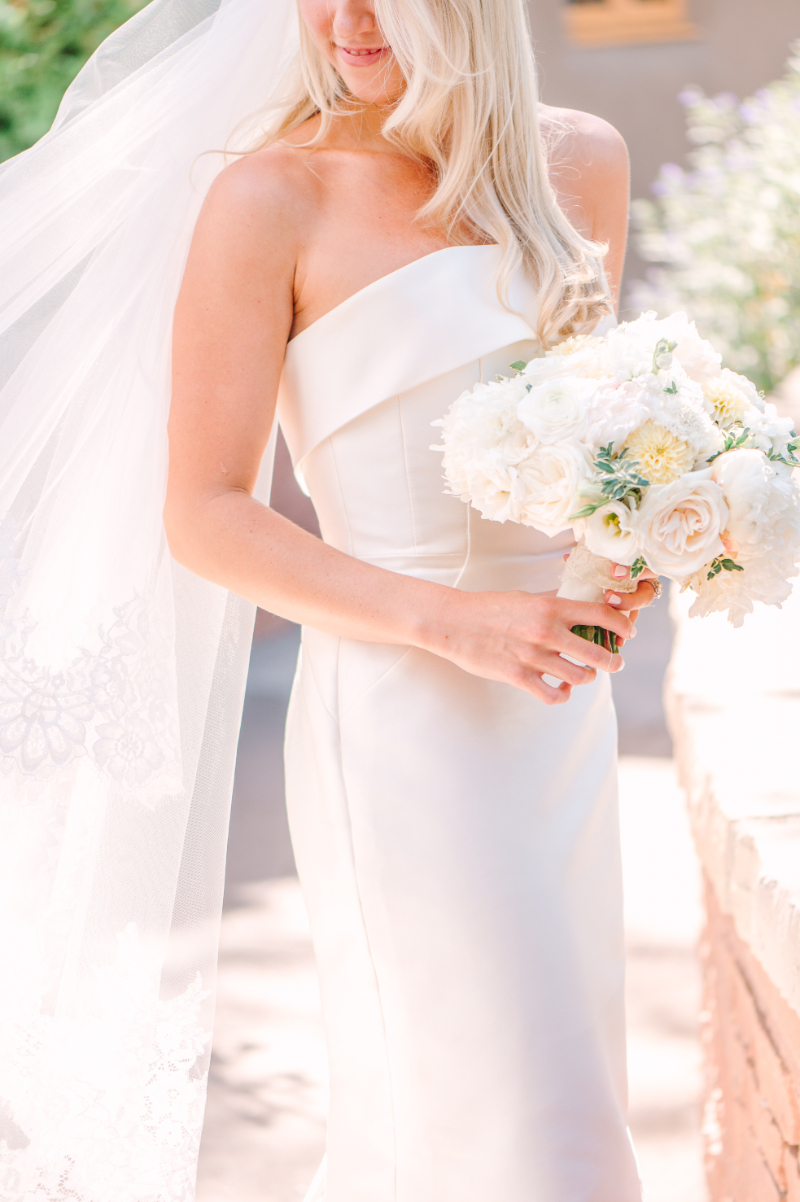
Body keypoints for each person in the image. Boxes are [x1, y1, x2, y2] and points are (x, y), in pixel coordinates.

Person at [163, 0, 657, 1198]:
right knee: (513, 1124)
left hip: (554, 711)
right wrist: (448, 618)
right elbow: (203, 512)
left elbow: (583, 437)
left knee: (555, 1096)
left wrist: (624, 547)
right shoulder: (269, 197)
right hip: (398, 721)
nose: (343, 20)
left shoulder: (579, 164)